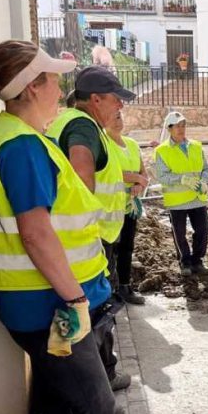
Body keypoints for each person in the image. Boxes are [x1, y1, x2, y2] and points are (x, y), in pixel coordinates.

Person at [0, 40, 169, 414]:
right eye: (54, 80)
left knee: (53, 411)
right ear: (33, 87)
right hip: (49, 306)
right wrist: (76, 298)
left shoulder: (22, 135)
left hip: (43, 302)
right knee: (96, 404)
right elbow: (36, 234)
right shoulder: (21, 146)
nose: (62, 88)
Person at [46, 66, 140, 392]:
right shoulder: (82, 127)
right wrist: (85, 223)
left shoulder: (69, 123)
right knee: (95, 315)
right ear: (96, 99)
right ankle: (96, 383)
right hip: (85, 246)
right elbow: (81, 172)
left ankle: (66, 379)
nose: (121, 107)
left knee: (74, 316)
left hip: (82, 244)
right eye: (117, 99)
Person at [154, 111, 208, 276]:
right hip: (177, 200)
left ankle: (197, 261)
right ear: (169, 128)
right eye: (177, 126)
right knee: (179, 233)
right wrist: (182, 179)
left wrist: (204, 181)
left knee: (202, 230)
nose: (181, 129)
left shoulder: (196, 146)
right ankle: (185, 262)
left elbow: (206, 169)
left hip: (197, 197)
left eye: (183, 125)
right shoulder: (162, 151)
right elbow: (162, 176)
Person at [105, 111, 147, 305]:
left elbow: (143, 172)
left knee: (127, 247)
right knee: (109, 249)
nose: (117, 120)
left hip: (130, 206)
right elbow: (111, 173)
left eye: (119, 117)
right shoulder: (103, 144)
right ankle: (109, 290)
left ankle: (124, 286)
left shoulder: (132, 144)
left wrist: (140, 184)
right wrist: (136, 178)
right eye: (114, 117)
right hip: (110, 207)